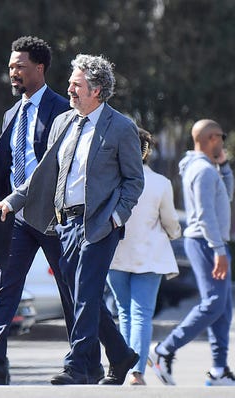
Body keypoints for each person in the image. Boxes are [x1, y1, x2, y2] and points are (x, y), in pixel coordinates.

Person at [0, 54, 144, 385]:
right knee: (80, 295)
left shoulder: (121, 127)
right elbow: (43, 174)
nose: (70, 90)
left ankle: (75, 365)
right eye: (71, 84)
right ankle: (120, 356)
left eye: (76, 85)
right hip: (66, 225)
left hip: (100, 223)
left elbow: (135, 181)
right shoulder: (63, 122)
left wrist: (117, 217)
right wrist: (12, 200)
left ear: (97, 90)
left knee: (87, 292)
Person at [0, 36, 74, 385]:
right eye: (10, 67)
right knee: (2, 288)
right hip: (15, 216)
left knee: (72, 290)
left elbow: (55, 166)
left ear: (40, 67)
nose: (13, 73)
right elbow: (6, 163)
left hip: (52, 216)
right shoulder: (11, 113)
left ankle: (84, 361)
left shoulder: (61, 110)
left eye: (19, 66)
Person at [149, 119, 235, 386]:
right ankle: (164, 350)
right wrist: (219, 249)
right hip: (206, 243)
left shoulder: (208, 169)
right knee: (213, 304)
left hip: (208, 242)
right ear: (210, 138)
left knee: (223, 305)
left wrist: (224, 166)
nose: (223, 141)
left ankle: (219, 370)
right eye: (220, 136)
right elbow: (204, 215)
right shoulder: (202, 171)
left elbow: (226, 197)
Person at [107, 128, 181, 386]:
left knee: (124, 315)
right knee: (141, 315)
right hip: (150, 257)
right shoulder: (161, 183)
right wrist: (174, 233)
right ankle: (137, 372)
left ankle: (122, 369)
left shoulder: (111, 179)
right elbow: (171, 223)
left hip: (114, 256)